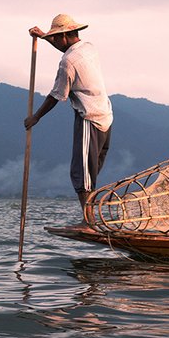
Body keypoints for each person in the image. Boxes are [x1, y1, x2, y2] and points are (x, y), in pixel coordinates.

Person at [24, 14, 113, 219]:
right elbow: (65, 45)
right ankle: (91, 217)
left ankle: (89, 220)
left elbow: (57, 95)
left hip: (89, 117)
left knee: (81, 174)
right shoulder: (89, 47)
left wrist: (35, 117)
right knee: (90, 172)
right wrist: (45, 36)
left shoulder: (68, 62)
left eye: (56, 38)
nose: (54, 41)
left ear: (64, 36)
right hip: (106, 116)